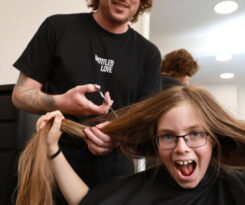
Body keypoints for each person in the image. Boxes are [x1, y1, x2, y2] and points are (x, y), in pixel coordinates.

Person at [17, 86, 245, 205]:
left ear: (213, 139)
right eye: (169, 136)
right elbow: (87, 203)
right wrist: (52, 150)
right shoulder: (138, 190)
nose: (182, 148)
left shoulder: (241, 190)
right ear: (157, 142)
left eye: (195, 134)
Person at [11, 0, 161, 203]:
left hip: (114, 179)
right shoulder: (57, 28)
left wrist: (118, 136)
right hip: (51, 167)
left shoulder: (148, 55)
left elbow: (149, 124)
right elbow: (20, 94)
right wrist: (61, 102)